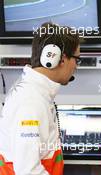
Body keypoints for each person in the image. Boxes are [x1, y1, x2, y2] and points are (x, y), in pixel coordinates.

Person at [0, 22, 80, 175]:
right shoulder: (31, 101)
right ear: (60, 59)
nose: (76, 66)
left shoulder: (35, 93)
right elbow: (28, 171)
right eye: (77, 59)